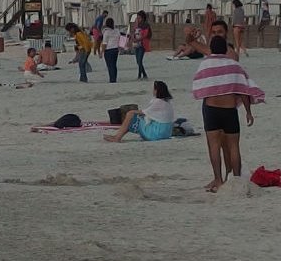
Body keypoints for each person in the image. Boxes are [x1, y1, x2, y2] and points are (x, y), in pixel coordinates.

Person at [191, 36, 262, 192]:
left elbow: (198, 86)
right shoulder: (234, 66)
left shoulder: (205, 64)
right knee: (234, 147)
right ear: (225, 49)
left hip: (211, 110)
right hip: (229, 111)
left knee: (214, 146)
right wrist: (248, 112)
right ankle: (236, 179)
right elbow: (243, 89)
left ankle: (218, 179)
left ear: (212, 48)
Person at [104, 81, 177, 143]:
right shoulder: (167, 102)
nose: (153, 91)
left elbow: (144, 112)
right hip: (166, 132)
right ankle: (117, 136)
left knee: (130, 115)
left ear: (157, 91)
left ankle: (117, 137)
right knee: (133, 116)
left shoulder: (159, 102)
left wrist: (131, 111)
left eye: (154, 89)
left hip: (157, 133)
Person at [101, 17, 124, 84]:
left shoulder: (106, 32)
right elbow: (120, 39)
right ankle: (114, 79)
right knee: (114, 65)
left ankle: (112, 79)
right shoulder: (117, 31)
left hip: (108, 50)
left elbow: (104, 43)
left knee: (110, 66)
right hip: (115, 50)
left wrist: (101, 52)